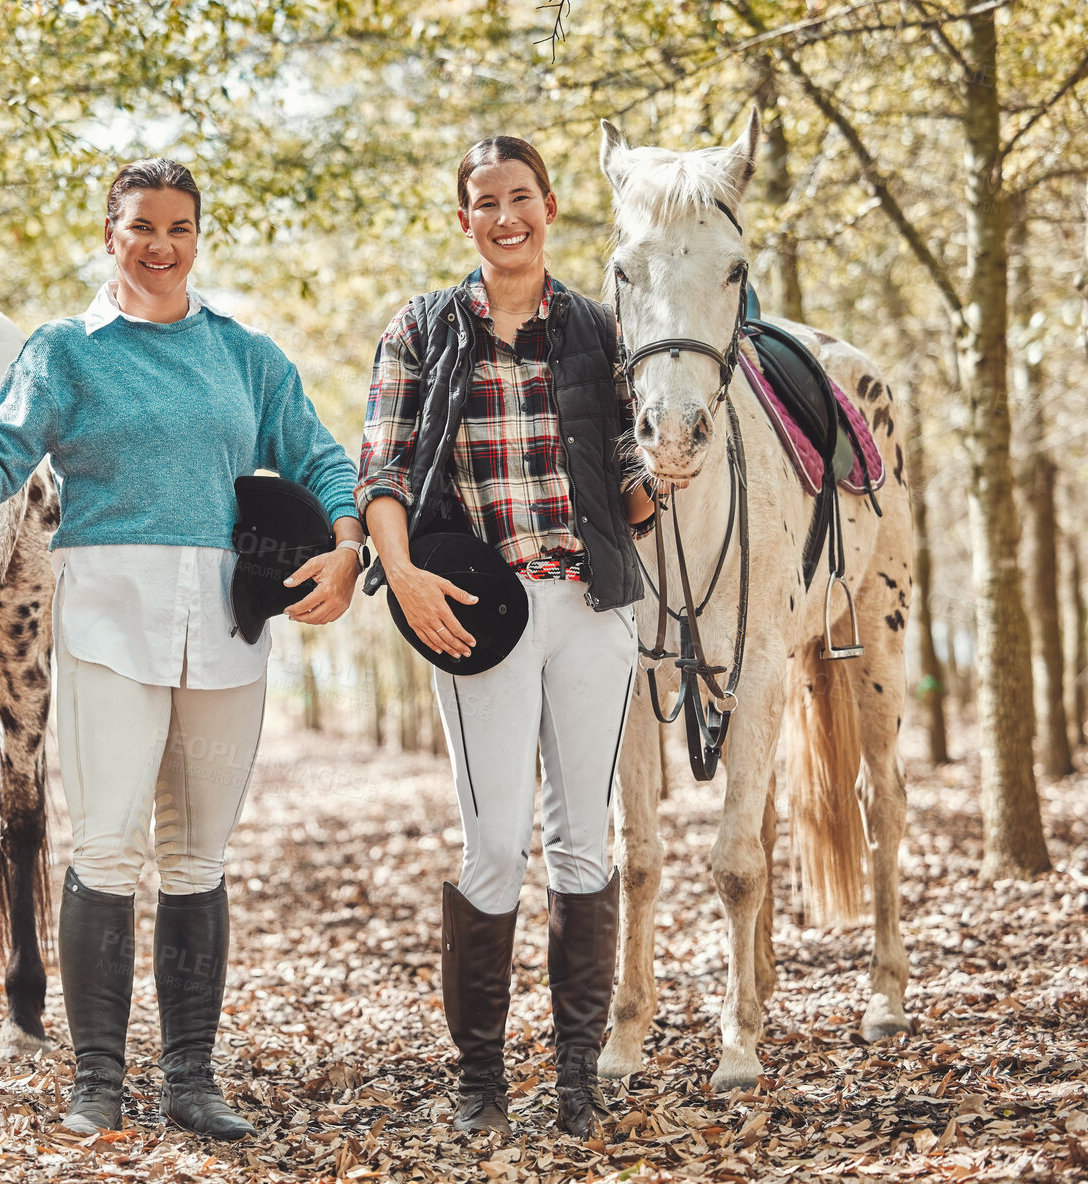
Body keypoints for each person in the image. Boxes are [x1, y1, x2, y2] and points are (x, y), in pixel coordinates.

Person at [0, 158, 366, 1140]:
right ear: (111, 233)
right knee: (103, 845)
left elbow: (318, 456)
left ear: (196, 235)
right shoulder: (64, 350)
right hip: (105, 622)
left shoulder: (244, 355)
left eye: (179, 226)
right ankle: (96, 1077)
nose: (160, 244)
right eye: (141, 225)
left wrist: (348, 545)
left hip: (227, 629)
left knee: (196, 854)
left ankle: (189, 1075)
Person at [355, 137, 660, 1138]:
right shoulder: (421, 328)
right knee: (493, 844)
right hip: (479, 610)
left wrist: (658, 480)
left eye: (519, 196)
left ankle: (575, 1073)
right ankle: (478, 1076)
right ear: (464, 220)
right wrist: (402, 577)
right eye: (484, 201)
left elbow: (628, 483)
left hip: (592, 604)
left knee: (584, 838)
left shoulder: (601, 332)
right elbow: (383, 470)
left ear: (549, 206)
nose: (504, 215)